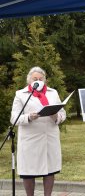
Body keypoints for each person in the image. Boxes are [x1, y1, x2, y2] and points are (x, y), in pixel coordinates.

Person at [10, 66, 66, 196]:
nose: (38, 81)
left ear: (45, 80)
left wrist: (56, 116)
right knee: (29, 173)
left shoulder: (53, 93)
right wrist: (29, 117)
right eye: (35, 78)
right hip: (30, 140)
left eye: (41, 79)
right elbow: (14, 118)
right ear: (29, 80)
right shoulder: (21, 94)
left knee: (50, 170)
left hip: (49, 138)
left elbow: (62, 114)